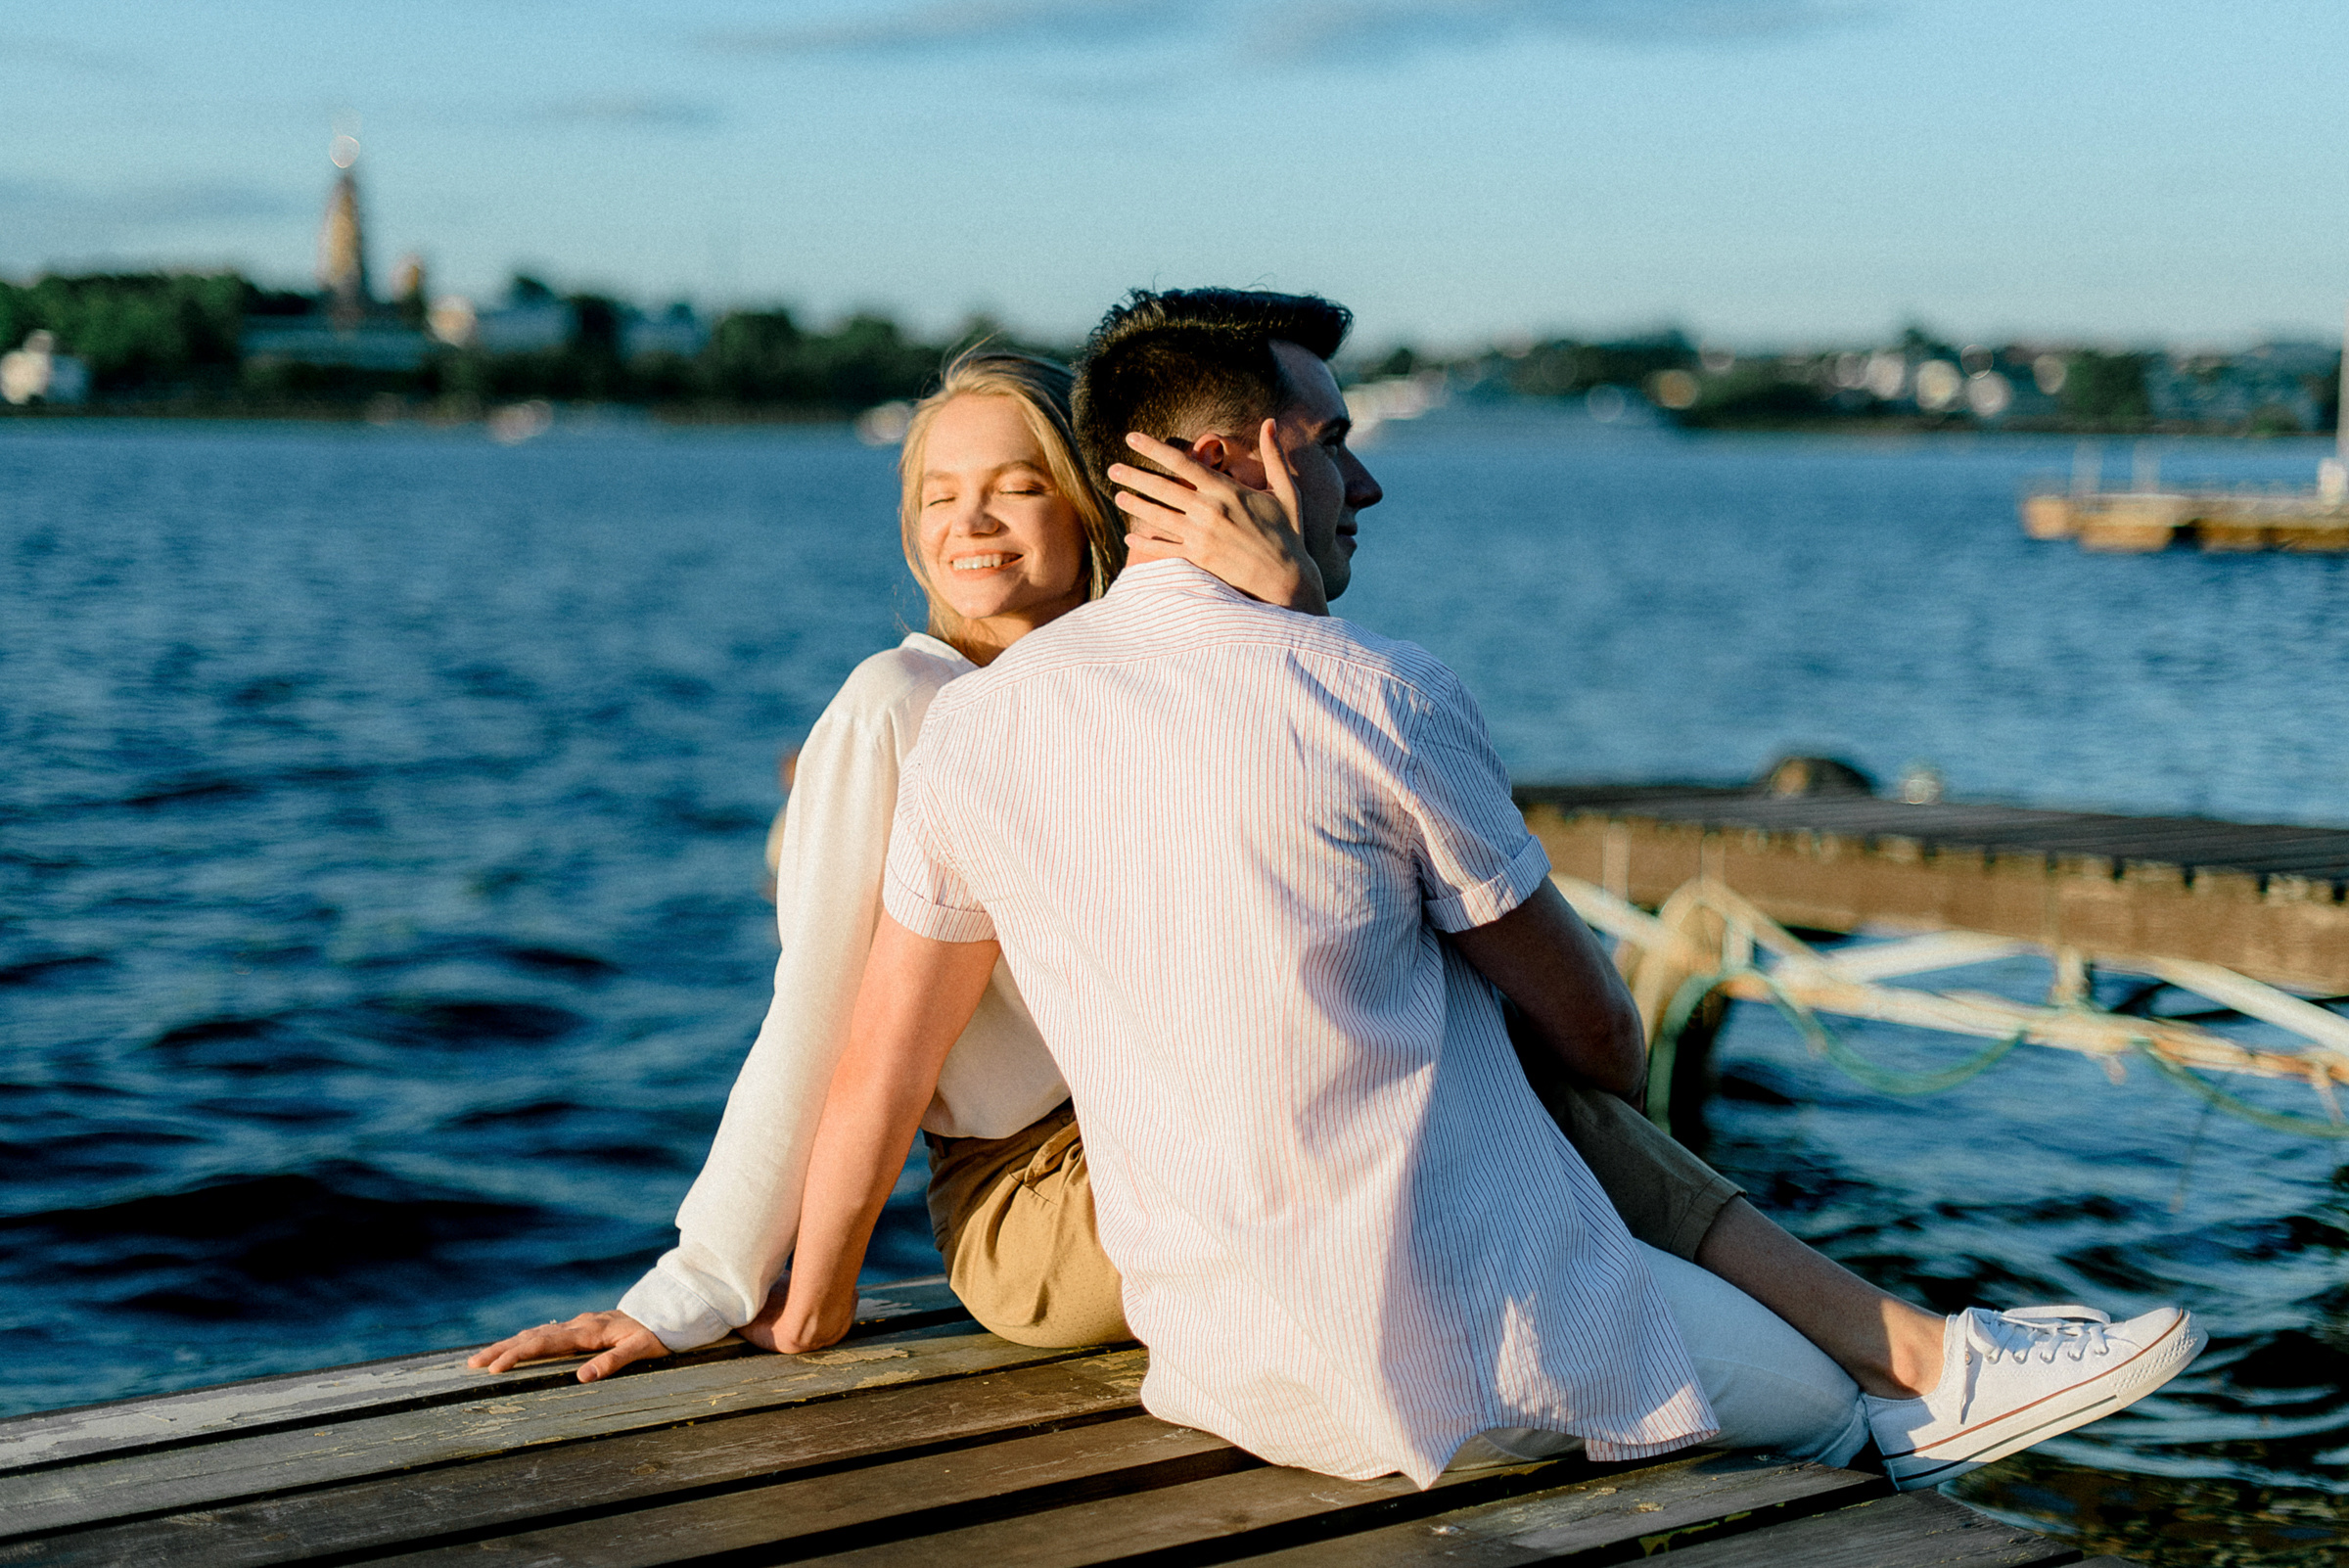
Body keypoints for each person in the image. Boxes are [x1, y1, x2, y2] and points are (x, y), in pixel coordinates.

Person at [750, 288, 2203, 1490]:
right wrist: (1308, 630)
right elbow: (1609, 1044)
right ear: (1252, 456)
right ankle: (1928, 1370)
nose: (1366, 480)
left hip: (1213, 1352)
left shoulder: (979, 726)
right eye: (1337, 440)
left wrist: (788, 1308)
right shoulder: (1377, 686)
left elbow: (878, 1048)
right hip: (1451, 1355)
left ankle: (1932, 1366)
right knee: (1831, 1424)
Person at [470, 348, 1317, 1378]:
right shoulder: (899, 705)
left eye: (1018, 487)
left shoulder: (1134, 688)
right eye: (939, 495)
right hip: (1041, 1190)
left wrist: (1282, 610)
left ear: (1092, 506)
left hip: (1183, 1141)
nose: (970, 521)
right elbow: (819, 1011)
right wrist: (705, 1283)